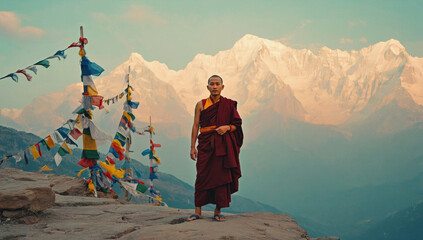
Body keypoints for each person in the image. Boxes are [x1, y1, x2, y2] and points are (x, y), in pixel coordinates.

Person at [188, 75, 243, 222]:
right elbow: (195, 126)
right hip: (206, 144)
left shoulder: (228, 105)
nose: (214, 86)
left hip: (222, 145)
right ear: (207, 87)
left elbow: (237, 124)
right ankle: (197, 211)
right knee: (201, 176)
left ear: (222, 87)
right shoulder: (201, 104)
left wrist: (227, 127)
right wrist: (192, 146)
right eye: (211, 84)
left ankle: (218, 211)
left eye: (217, 84)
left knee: (221, 177)